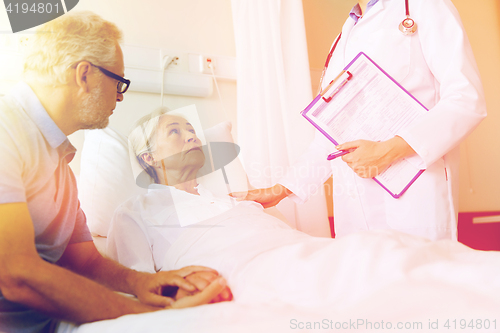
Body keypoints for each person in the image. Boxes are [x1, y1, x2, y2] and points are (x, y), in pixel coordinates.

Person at [0, 12, 230, 333]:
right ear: (84, 75)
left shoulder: (59, 163)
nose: (120, 96)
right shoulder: (6, 130)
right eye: (119, 82)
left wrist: (143, 282)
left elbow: (85, 261)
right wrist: (145, 316)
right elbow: (16, 274)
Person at [230, 0, 487, 241]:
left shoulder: (424, 6)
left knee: (417, 282)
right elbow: (330, 140)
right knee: (364, 281)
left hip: (414, 194)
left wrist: (387, 151)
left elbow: (466, 99)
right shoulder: (344, 36)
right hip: (353, 208)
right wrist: (279, 190)